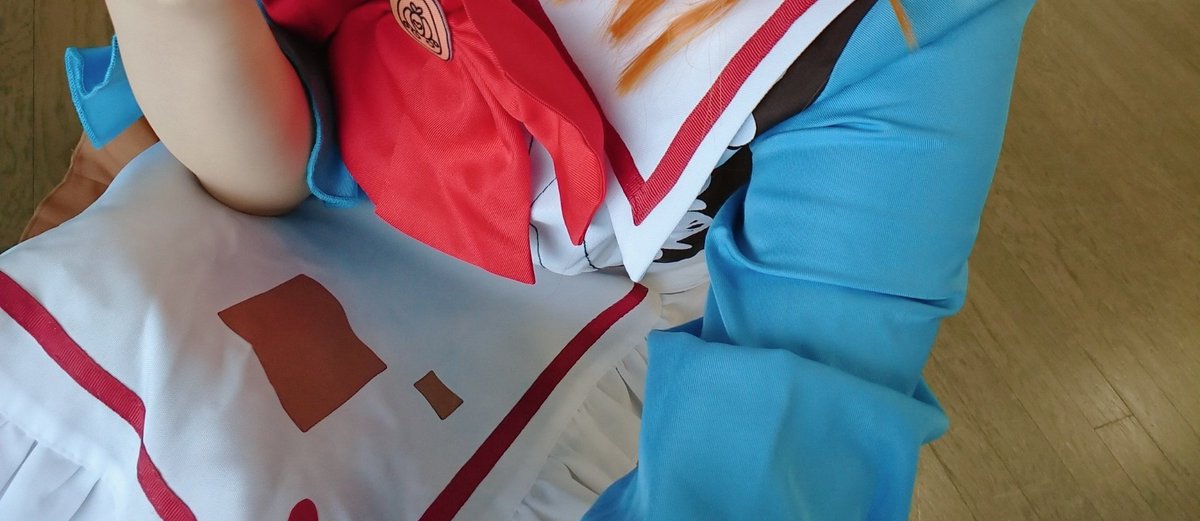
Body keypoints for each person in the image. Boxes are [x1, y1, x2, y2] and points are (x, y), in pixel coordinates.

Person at [5, 0, 1034, 518]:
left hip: (615, 317)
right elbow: (273, 143)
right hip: (255, 162)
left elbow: (789, 421)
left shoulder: (906, 32)